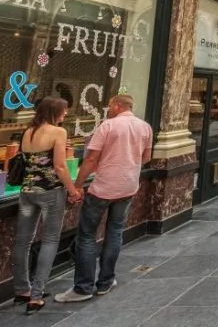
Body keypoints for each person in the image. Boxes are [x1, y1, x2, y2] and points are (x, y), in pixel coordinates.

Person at [56, 95, 152, 303]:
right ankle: (106, 281)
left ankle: (83, 288)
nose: (108, 109)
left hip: (103, 188)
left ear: (117, 106)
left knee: (87, 236)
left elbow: (91, 159)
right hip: (128, 187)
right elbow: (146, 158)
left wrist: (78, 185)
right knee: (115, 232)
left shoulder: (108, 126)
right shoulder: (145, 127)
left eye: (109, 106)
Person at [12, 97, 81, 314]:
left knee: (23, 240)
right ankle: (36, 295)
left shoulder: (28, 132)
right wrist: (73, 190)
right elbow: (60, 166)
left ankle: (22, 289)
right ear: (55, 111)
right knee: (50, 239)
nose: (66, 114)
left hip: (27, 191)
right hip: (50, 191)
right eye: (64, 110)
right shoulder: (58, 132)